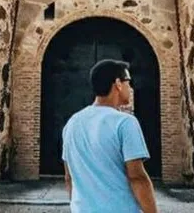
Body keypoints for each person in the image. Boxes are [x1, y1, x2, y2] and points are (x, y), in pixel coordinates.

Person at [62, 58, 159, 213]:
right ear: (118, 84)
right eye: (129, 82)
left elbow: (69, 177)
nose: (131, 88)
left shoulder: (71, 123)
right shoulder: (125, 122)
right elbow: (137, 177)